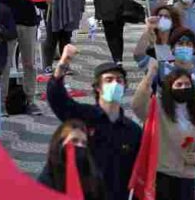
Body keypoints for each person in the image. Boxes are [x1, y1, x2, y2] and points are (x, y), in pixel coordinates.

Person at [47, 44, 142, 200]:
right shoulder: (84, 117)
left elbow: (140, 171)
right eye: (109, 80)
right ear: (98, 87)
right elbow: (58, 99)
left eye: (119, 80)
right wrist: (63, 63)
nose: (115, 84)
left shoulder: (133, 131)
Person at [133, 64, 195, 200]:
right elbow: (138, 105)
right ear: (170, 88)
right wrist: (149, 76)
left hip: (187, 178)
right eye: (179, 84)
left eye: (187, 84)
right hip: (162, 177)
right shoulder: (158, 108)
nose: (183, 88)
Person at [38, 119, 107, 200]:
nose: (80, 146)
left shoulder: (94, 175)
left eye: (84, 143)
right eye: (74, 140)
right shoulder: (48, 178)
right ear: (60, 143)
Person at [156, 28, 195, 115]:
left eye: (188, 45)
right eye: (180, 44)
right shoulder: (161, 69)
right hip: (165, 121)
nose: (184, 47)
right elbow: (139, 57)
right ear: (172, 49)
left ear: (193, 49)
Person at [42, 0, 85, 72]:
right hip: (53, 11)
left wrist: (80, 7)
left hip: (70, 11)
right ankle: (47, 65)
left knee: (66, 39)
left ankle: (64, 65)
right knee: (51, 39)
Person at [133, 5, 181, 69]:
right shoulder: (152, 47)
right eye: (160, 16)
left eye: (166, 17)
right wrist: (148, 28)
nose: (163, 19)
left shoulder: (180, 45)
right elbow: (138, 55)